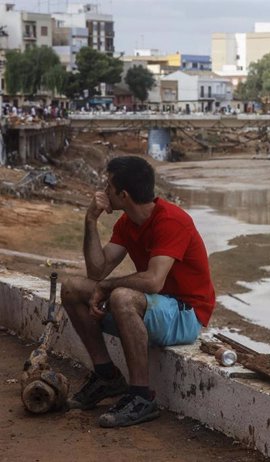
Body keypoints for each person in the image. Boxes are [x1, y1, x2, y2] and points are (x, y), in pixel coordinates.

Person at [60, 155, 215, 428]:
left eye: (109, 186)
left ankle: (141, 396)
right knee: (72, 288)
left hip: (186, 315)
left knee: (121, 296)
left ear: (124, 194)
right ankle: (107, 375)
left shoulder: (171, 221)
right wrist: (90, 222)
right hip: (154, 307)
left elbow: (154, 281)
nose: (104, 191)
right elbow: (97, 272)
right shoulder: (127, 223)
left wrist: (108, 288)